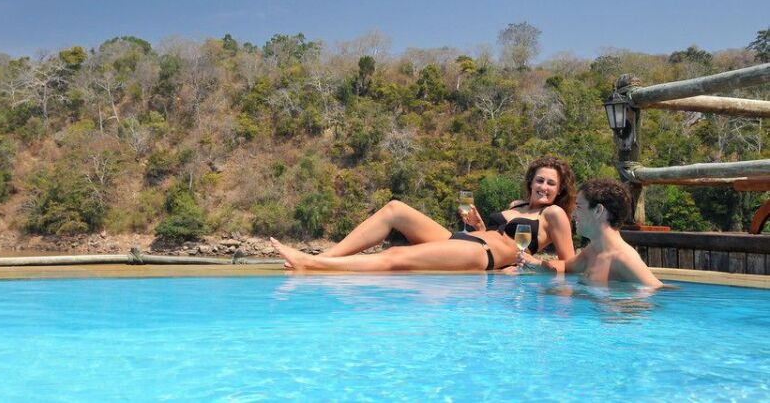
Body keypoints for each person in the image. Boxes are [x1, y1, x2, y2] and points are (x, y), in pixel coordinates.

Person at [271, 156, 576, 273]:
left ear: (560, 189)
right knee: (395, 209)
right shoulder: (516, 205)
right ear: (530, 182)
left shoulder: (554, 214)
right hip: (469, 241)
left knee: (396, 256)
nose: (544, 187)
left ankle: (312, 263)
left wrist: (533, 264)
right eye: (540, 180)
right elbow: (489, 233)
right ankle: (324, 256)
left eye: (551, 183)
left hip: (482, 255)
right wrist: (477, 224)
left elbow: (571, 265)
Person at [519, 178, 663, 288]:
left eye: (579, 207)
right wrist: (535, 263)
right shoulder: (593, 251)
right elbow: (565, 267)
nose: (573, 214)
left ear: (598, 210)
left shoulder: (623, 258)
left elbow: (658, 294)